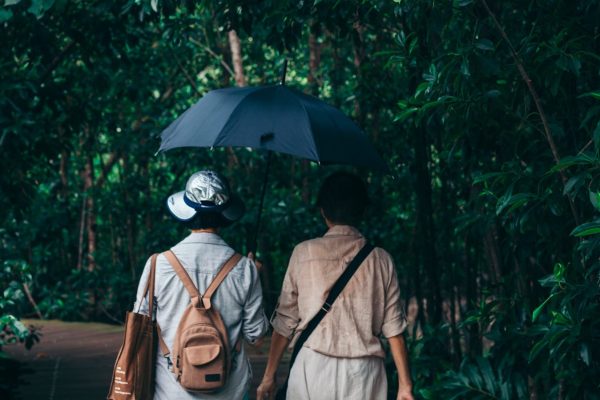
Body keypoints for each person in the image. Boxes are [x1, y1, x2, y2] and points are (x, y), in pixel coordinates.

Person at [257, 171, 414, 400]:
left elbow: (285, 321)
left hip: (312, 369)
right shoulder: (380, 259)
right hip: (364, 374)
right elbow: (394, 329)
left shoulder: (303, 253)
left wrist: (269, 376)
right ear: (362, 211)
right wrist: (405, 385)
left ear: (323, 211)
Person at [134, 170, 269, 400]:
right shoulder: (245, 269)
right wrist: (256, 276)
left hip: (171, 391)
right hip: (229, 391)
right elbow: (255, 334)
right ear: (224, 214)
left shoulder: (159, 264)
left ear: (188, 213)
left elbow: (140, 325)